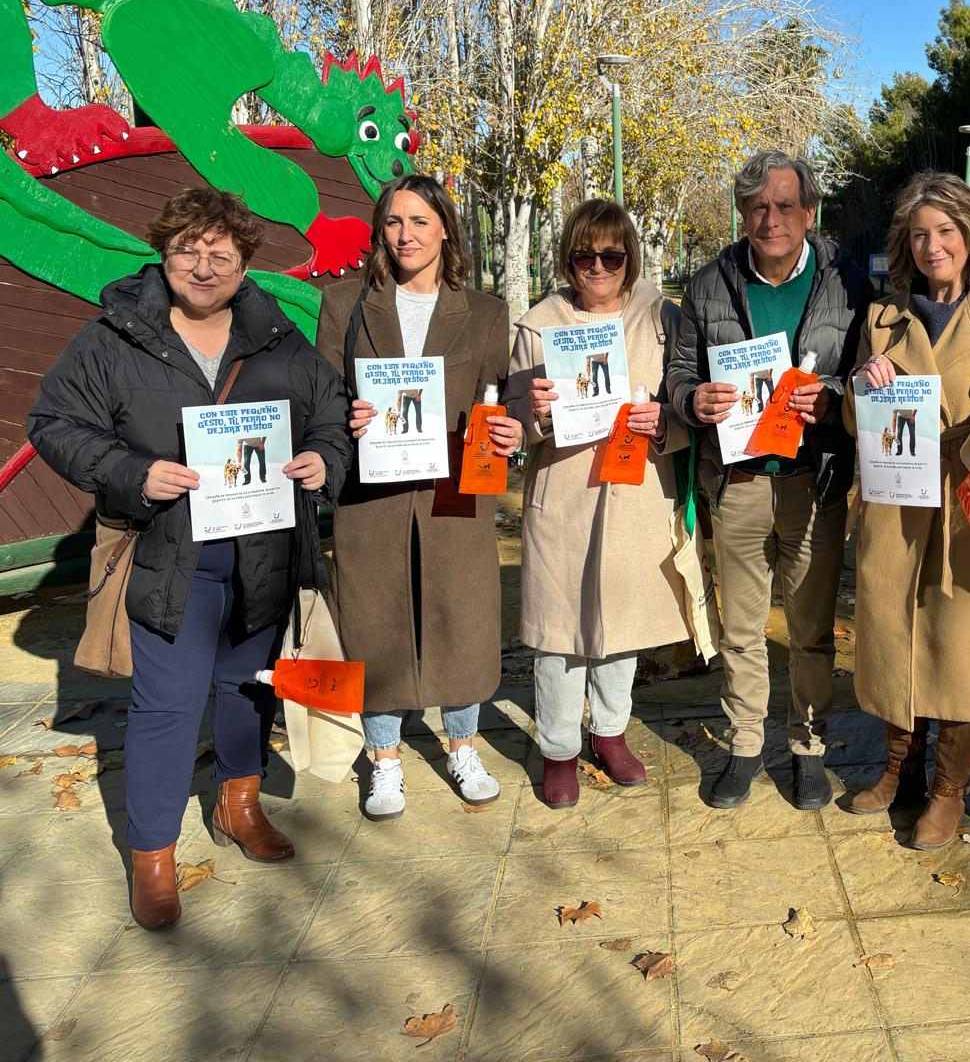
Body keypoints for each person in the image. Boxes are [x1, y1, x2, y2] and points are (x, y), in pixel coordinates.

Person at [28, 185, 352, 931]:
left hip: (264, 552)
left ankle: (239, 805)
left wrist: (321, 458)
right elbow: (54, 423)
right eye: (188, 250)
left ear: (244, 264)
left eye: (222, 254)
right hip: (171, 558)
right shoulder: (116, 336)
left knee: (247, 689)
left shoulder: (274, 335)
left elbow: (331, 410)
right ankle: (153, 855)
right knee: (166, 707)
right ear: (163, 250)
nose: (203, 267)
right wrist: (129, 471)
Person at [844, 172, 970, 848]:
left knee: (966, 649)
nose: (934, 246)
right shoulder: (881, 318)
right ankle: (898, 770)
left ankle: (949, 790)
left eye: (946, 231)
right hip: (897, 498)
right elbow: (852, 420)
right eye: (920, 234)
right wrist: (860, 386)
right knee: (895, 632)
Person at [665, 149, 872, 810]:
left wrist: (835, 396)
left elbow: (874, 370)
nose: (771, 218)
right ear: (742, 213)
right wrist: (691, 401)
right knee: (742, 628)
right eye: (757, 206)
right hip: (738, 482)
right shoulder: (708, 284)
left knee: (811, 630)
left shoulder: (847, 281)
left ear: (809, 212)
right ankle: (745, 744)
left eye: (785, 205)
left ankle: (809, 745)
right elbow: (680, 372)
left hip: (815, 478)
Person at [316, 174, 522, 820]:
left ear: (445, 231)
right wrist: (343, 416)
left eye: (421, 222)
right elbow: (321, 396)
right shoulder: (345, 304)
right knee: (373, 620)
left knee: (459, 619)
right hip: (370, 497)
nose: (407, 235)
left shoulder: (485, 312)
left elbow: (505, 396)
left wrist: (514, 428)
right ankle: (383, 760)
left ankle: (463, 744)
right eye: (395, 222)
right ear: (381, 231)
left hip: (454, 495)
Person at [506, 199, 690, 807]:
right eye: (585, 255)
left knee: (623, 623)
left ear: (630, 257)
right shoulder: (538, 322)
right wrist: (531, 416)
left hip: (635, 491)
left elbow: (684, 404)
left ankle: (609, 731)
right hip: (564, 494)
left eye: (612, 255)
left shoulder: (662, 316)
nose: (598, 266)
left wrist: (664, 422)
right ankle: (558, 747)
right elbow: (511, 422)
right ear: (569, 259)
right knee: (561, 630)